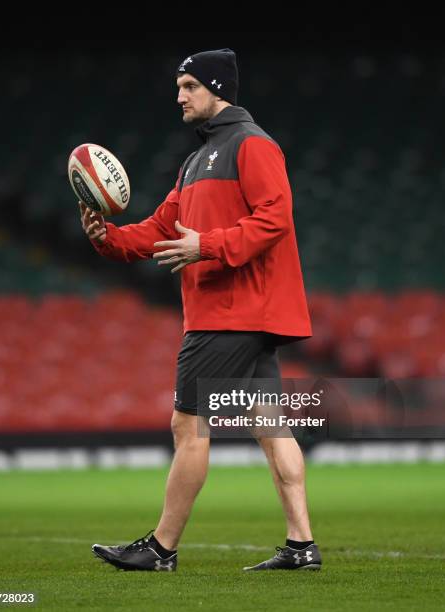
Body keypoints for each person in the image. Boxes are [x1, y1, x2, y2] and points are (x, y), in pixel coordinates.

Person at [83, 48, 321, 572]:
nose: (179, 96)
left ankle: (161, 548)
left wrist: (207, 246)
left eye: (189, 85)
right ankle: (302, 545)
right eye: (179, 86)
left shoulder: (252, 145)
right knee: (271, 425)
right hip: (241, 315)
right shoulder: (196, 160)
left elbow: (275, 218)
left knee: (187, 427)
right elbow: (161, 228)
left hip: (227, 314)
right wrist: (109, 239)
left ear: (217, 88)